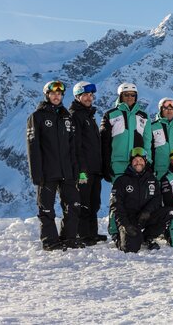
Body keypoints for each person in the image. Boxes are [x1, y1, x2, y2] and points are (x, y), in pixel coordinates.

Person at [27, 80, 81, 251]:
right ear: (47, 95)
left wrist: (75, 170)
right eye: (53, 93)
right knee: (47, 209)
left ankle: (68, 238)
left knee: (72, 206)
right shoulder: (37, 117)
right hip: (47, 172)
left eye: (59, 94)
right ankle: (50, 241)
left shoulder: (67, 117)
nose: (56, 96)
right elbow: (32, 148)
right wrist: (37, 174)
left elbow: (72, 148)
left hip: (67, 172)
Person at [100, 82, 151, 237]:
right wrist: (105, 164)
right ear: (120, 96)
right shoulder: (111, 114)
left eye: (132, 95)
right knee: (118, 198)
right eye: (126, 95)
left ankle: (131, 228)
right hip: (118, 163)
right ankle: (115, 230)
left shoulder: (143, 116)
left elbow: (147, 141)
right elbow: (104, 142)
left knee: (135, 197)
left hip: (137, 164)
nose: (130, 97)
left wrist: (148, 162)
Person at [110, 148, 171, 252]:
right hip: (129, 219)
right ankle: (119, 237)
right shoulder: (122, 180)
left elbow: (157, 199)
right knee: (131, 248)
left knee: (169, 212)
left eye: (141, 160)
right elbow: (116, 205)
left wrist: (147, 211)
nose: (138, 163)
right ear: (131, 162)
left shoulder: (151, 179)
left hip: (143, 216)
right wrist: (125, 224)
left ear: (145, 162)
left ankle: (148, 237)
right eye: (135, 160)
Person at [69, 81, 105, 245]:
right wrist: (81, 169)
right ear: (77, 96)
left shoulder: (88, 115)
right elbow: (76, 146)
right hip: (84, 169)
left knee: (94, 202)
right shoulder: (76, 116)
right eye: (86, 95)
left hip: (95, 168)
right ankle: (83, 234)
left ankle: (92, 233)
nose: (89, 98)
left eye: (91, 95)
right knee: (84, 202)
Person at [150, 97, 173, 181]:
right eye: (166, 108)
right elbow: (148, 149)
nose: (169, 111)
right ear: (161, 110)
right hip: (159, 171)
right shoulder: (152, 127)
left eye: (171, 108)